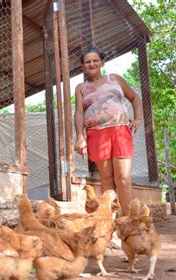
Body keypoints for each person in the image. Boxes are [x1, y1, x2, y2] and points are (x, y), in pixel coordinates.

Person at [74, 47, 143, 216]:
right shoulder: (82, 88)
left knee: (123, 178)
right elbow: (79, 113)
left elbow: (135, 98)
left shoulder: (115, 80)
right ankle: (109, 222)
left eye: (95, 60)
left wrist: (138, 118)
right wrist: (80, 138)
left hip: (120, 131)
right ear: (83, 66)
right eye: (88, 62)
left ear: (102, 62)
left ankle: (131, 219)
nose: (92, 64)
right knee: (106, 178)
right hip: (97, 134)